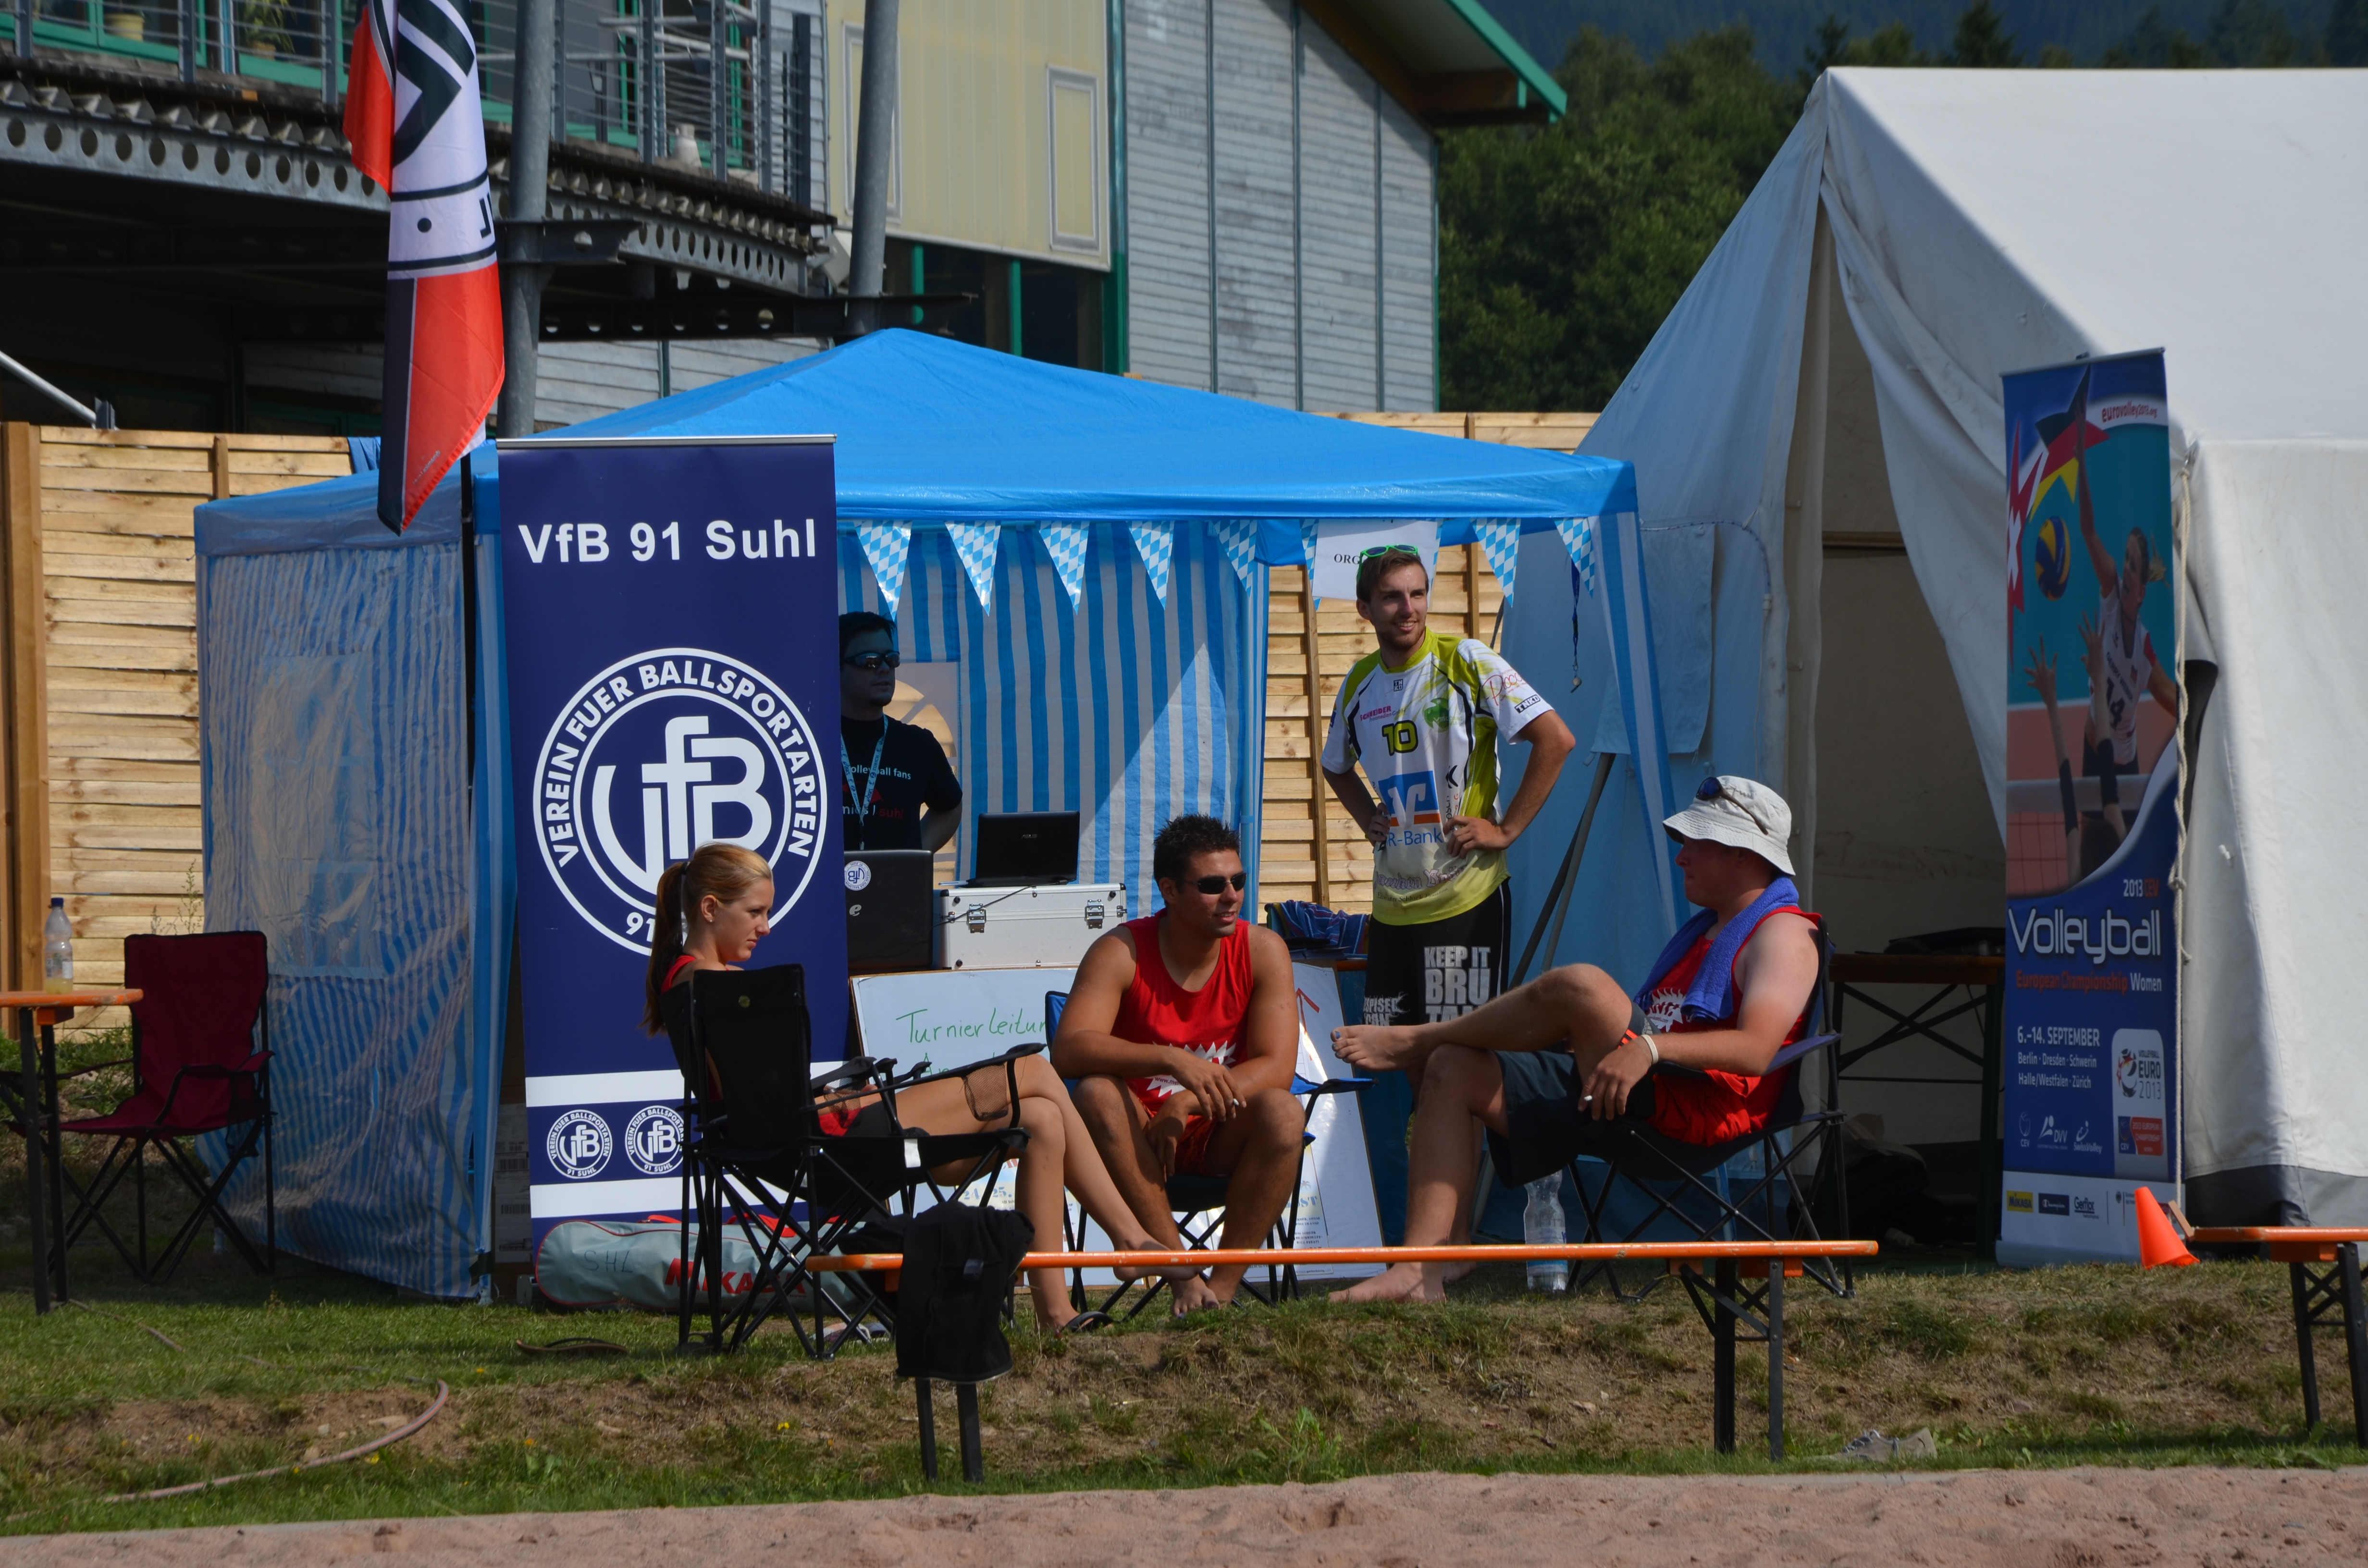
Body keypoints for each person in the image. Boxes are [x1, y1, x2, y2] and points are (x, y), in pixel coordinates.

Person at [643, 841, 1179, 1332]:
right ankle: (1128, 1236)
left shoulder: (682, 978)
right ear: (710, 908)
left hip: (802, 1139)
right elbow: (776, 1104)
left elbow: (761, 1096)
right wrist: (843, 1097)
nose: (765, 927)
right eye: (755, 912)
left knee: (1040, 1119)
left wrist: (835, 1096)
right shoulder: (721, 986)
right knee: (1035, 1072)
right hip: (827, 1143)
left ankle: (1056, 1314)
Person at [1327, 777, 1821, 1304]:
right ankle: (1421, 1269)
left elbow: (1755, 1052)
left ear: (1743, 854)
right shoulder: (1705, 931)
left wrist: (1650, 1048)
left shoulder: (1783, 934)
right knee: (1451, 1066)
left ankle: (1417, 1039)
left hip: (1692, 1115)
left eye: (1696, 843)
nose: (1681, 857)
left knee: (1582, 987)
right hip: (1632, 1090)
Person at [1052, 815, 1308, 1313]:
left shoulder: (1262, 949)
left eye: (1238, 881)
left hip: (1217, 1126)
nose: (1231, 896)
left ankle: (1222, 1292)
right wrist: (1170, 1059)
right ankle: (1181, 1276)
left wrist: (1187, 1102)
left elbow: (1277, 1068)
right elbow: (1069, 1049)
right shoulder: (1120, 950)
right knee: (1096, 1093)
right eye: (1212, 886)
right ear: (1169, 890)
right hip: (1136, 1136)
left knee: (1283, 1112)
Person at [1320, 547, 1574, 1043]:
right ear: (1364, 609)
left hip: (1464, 897)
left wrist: (1507, 831)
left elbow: (1556, 739)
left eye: (1418, 594)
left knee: (1459, 1052)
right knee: (1395, 1050)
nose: (1408, 609)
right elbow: (1334, 766)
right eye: (1392, 598)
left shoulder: (1466, 660)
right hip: (1392, 903)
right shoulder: (1358, 683)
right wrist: (1367, 818)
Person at [2076, 519, 2175, 863]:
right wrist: (2081, 481)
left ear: (2143, 591)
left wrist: (2212, 709)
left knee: (2126, 854)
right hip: (2096, 750)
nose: (2127, 570)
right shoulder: (2111, 601)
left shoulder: (2144, 651)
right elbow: (2089, 531)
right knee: (2090, 849)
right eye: (2126, 561)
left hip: (2124, 760)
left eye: (2134, 565)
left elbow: (2174, 697)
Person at [838, 611, 962, 853]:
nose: (884, 669)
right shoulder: (811, 741)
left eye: (891, 659)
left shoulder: (918, 744)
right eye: (870, 661)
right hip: (824, 879)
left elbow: (950, 806)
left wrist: (914, 856)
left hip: (896, 879)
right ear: (838, 667)